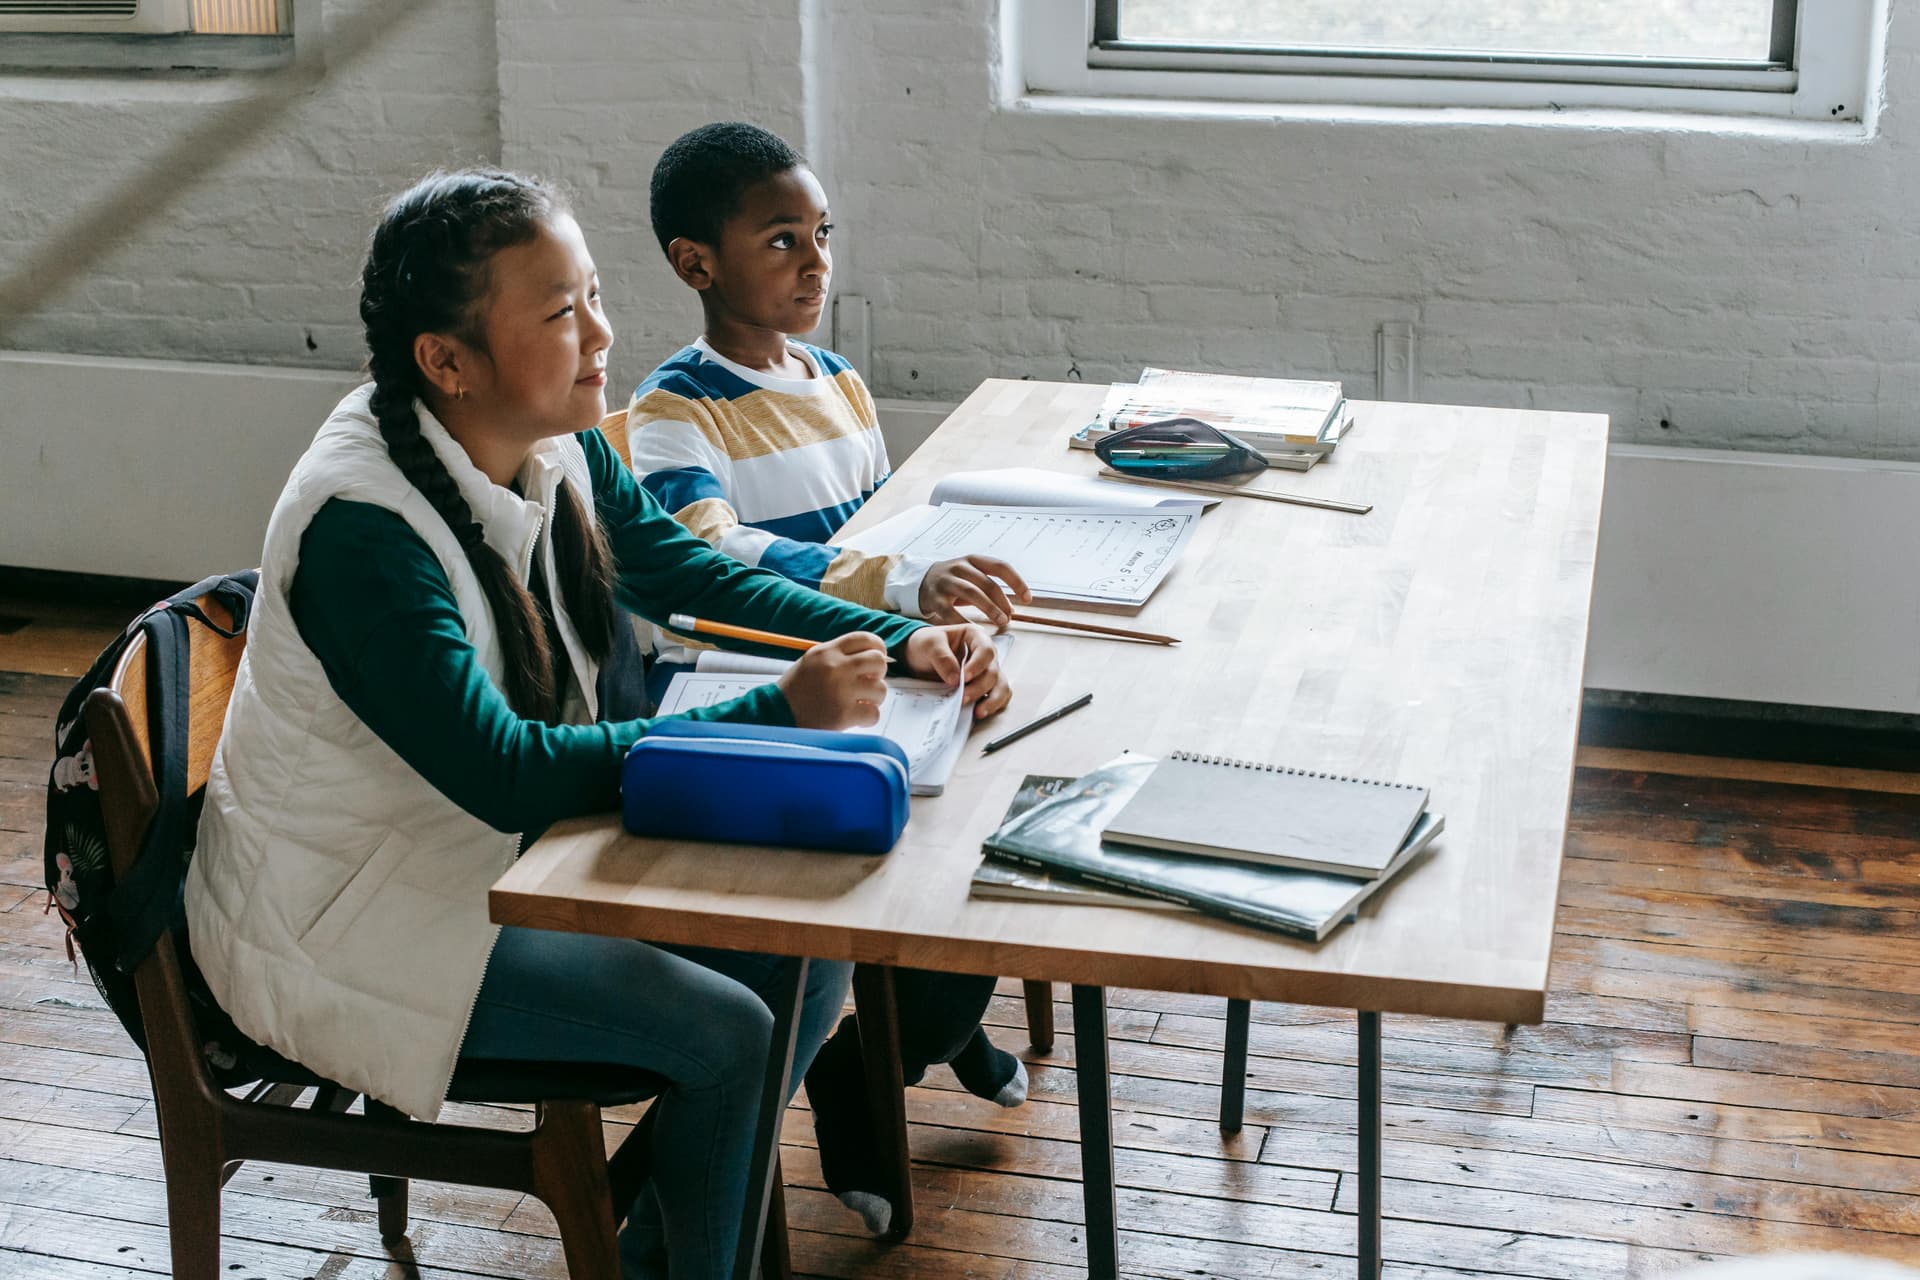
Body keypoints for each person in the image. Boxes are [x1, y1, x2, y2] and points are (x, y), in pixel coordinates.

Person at [181, 167, 1008, 1279]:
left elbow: (683, 568)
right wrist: (777, 707)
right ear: (447, 360)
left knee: (808, 950)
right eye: (561, 312)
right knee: (728, 1033)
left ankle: (661, 1252)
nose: (603, 334)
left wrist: (896, 635)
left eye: (596, 296)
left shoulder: (547, 430)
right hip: (367, 918)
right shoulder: (362, 529)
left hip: (504, 860)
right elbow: (505, 772)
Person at [628, 121, 1031, 1237]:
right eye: (781, 241)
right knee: (925, 864)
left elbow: (883, 531)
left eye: (822, 234)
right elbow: (712, 557)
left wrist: (925, 607)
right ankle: (872, 1060)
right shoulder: (675, 410)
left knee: (996, 800)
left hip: (864, 663)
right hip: (757, 689)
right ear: (695, 262)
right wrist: (893, 591)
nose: (816, 263)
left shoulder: (839, 380)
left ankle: (925, 1027)